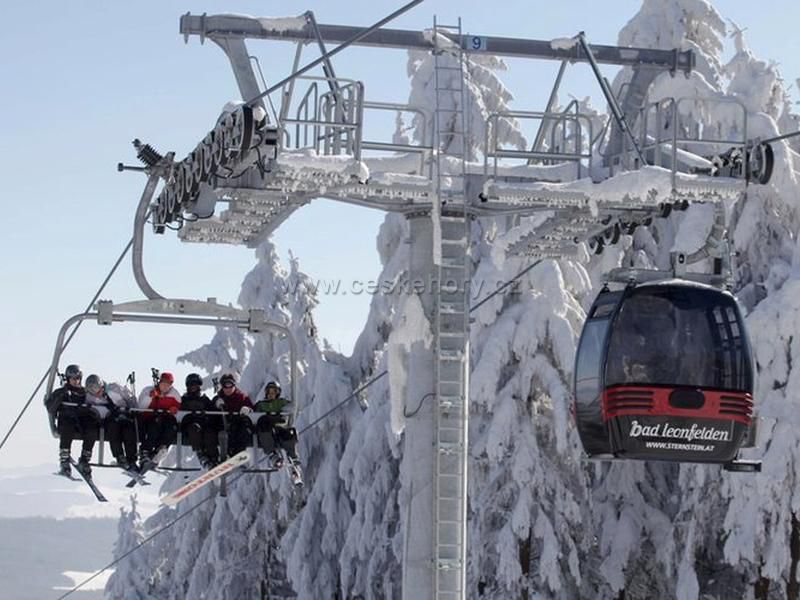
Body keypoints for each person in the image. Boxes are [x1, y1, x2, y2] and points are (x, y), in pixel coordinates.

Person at [45, 364, 99, 478]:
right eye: (73, 379)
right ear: (68, 379)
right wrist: (61, 395)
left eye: (78, 378)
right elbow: (51, 407)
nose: (76, 381)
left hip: (81, 422)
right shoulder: (62, 392)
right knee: (67, 427)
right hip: (67, 422)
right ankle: (64, 460)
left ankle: (84, 459)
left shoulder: (85, 393)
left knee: (92, 430)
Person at [84, 374, 139, 473]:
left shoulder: (114, 389)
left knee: (129, 432)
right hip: (110, 419)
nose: (96, 393)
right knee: (113, 430)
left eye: (96, 388)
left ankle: (132, 460)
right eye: (92, 390)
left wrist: (132, 410)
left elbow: (130, 398)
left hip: (125, 415)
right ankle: (120, 456)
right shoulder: (90, 398)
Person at [137, 371, 181, 472]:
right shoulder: (149, 391)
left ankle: (160, 450)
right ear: (159, 383)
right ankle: (145, 453)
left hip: (165, 421)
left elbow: (179, 410)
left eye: (168, 384)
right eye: (163, 384)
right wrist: (151, 396)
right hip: (148, 419)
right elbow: (141, 407)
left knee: (171, 427)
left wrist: (174, 410)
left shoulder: (174, 395)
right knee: (153, 427)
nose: (165, 387)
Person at [253, 381, 300, 471]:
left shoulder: (280, 402)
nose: (271, 395)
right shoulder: (261, 404)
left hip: (279, 426)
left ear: (277, 393)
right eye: (269, 392)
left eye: (274, 393)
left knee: (289, 434)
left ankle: (293, 456)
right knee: (264, 428)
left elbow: (292, 406)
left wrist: (284, 410)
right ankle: (273, 456)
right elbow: (253, 411)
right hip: (267, 427)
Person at [180, 373, 220, 469]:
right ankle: (201, 455)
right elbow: (179, 414)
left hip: (204, 425)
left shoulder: (204, 399)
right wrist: (189, 416)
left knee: (209, 432)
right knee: (194, 428)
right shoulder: (184, 400)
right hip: (189, 428)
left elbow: (213, 413)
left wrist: (206, 415)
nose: (193, 387)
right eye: (191, 385)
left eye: (196, 384)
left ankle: (214, 458)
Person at [212, 373, 253, 457]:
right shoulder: (219, 398)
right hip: (223, 425)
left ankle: (237, 455)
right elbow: (210, 409)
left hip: (238, 425)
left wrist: (247, 409)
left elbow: (251, 408)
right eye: (225, 386)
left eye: (230, 386)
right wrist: (216, 404)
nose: (228, 389)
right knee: (223, 435)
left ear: (234, 385)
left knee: (243, 432)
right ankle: (224, 457)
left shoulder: (241, 397)